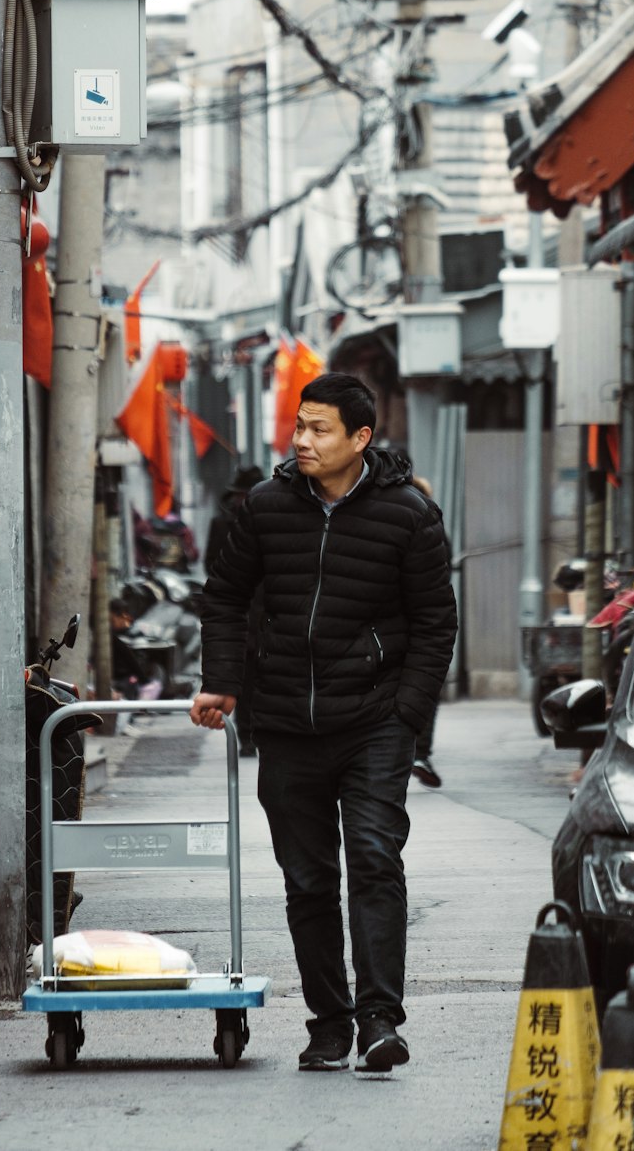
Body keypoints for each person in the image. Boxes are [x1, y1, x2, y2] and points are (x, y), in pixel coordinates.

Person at [191, 372, 456, 1075]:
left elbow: (436, 625)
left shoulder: (408, 515)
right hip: (284, 725)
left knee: (374, 861)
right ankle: (329, 1021)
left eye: (319, 429)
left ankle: (379, 1020)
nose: (302, 440)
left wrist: (408, 717)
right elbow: (223, 597)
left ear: (360, 438)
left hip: (374, 724)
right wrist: (222, 682)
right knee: (308, 880)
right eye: (299, 426)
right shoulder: (265, 508)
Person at [204, 466, 266, 757]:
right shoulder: (222, 523)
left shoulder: (272, 520)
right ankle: (246, 735)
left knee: (264, 675)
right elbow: (211, 564)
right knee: (244, 675)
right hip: (240, 609)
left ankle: (260, 730)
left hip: (268, 609)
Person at [408, 475, 452, 790]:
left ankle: (407, 751)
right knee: (425, 687)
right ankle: (419, 752)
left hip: (386, 623)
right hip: (421, 619)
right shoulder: (427, 514)